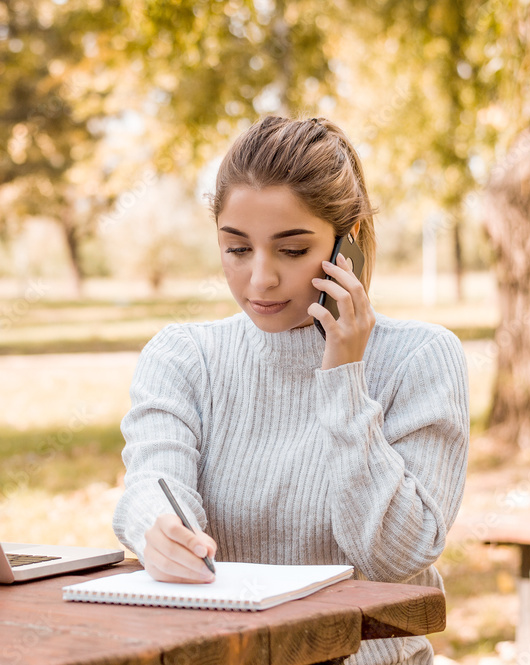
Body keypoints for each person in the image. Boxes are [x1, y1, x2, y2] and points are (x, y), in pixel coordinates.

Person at [112, 116, 469, 665]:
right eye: (237, 249)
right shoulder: (184, 356)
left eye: (292, 250)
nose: (260, 280)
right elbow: (154, 480)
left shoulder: (420, 358)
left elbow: (399, 555)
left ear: (346, 242)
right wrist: (157, 529)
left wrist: (344, 376)